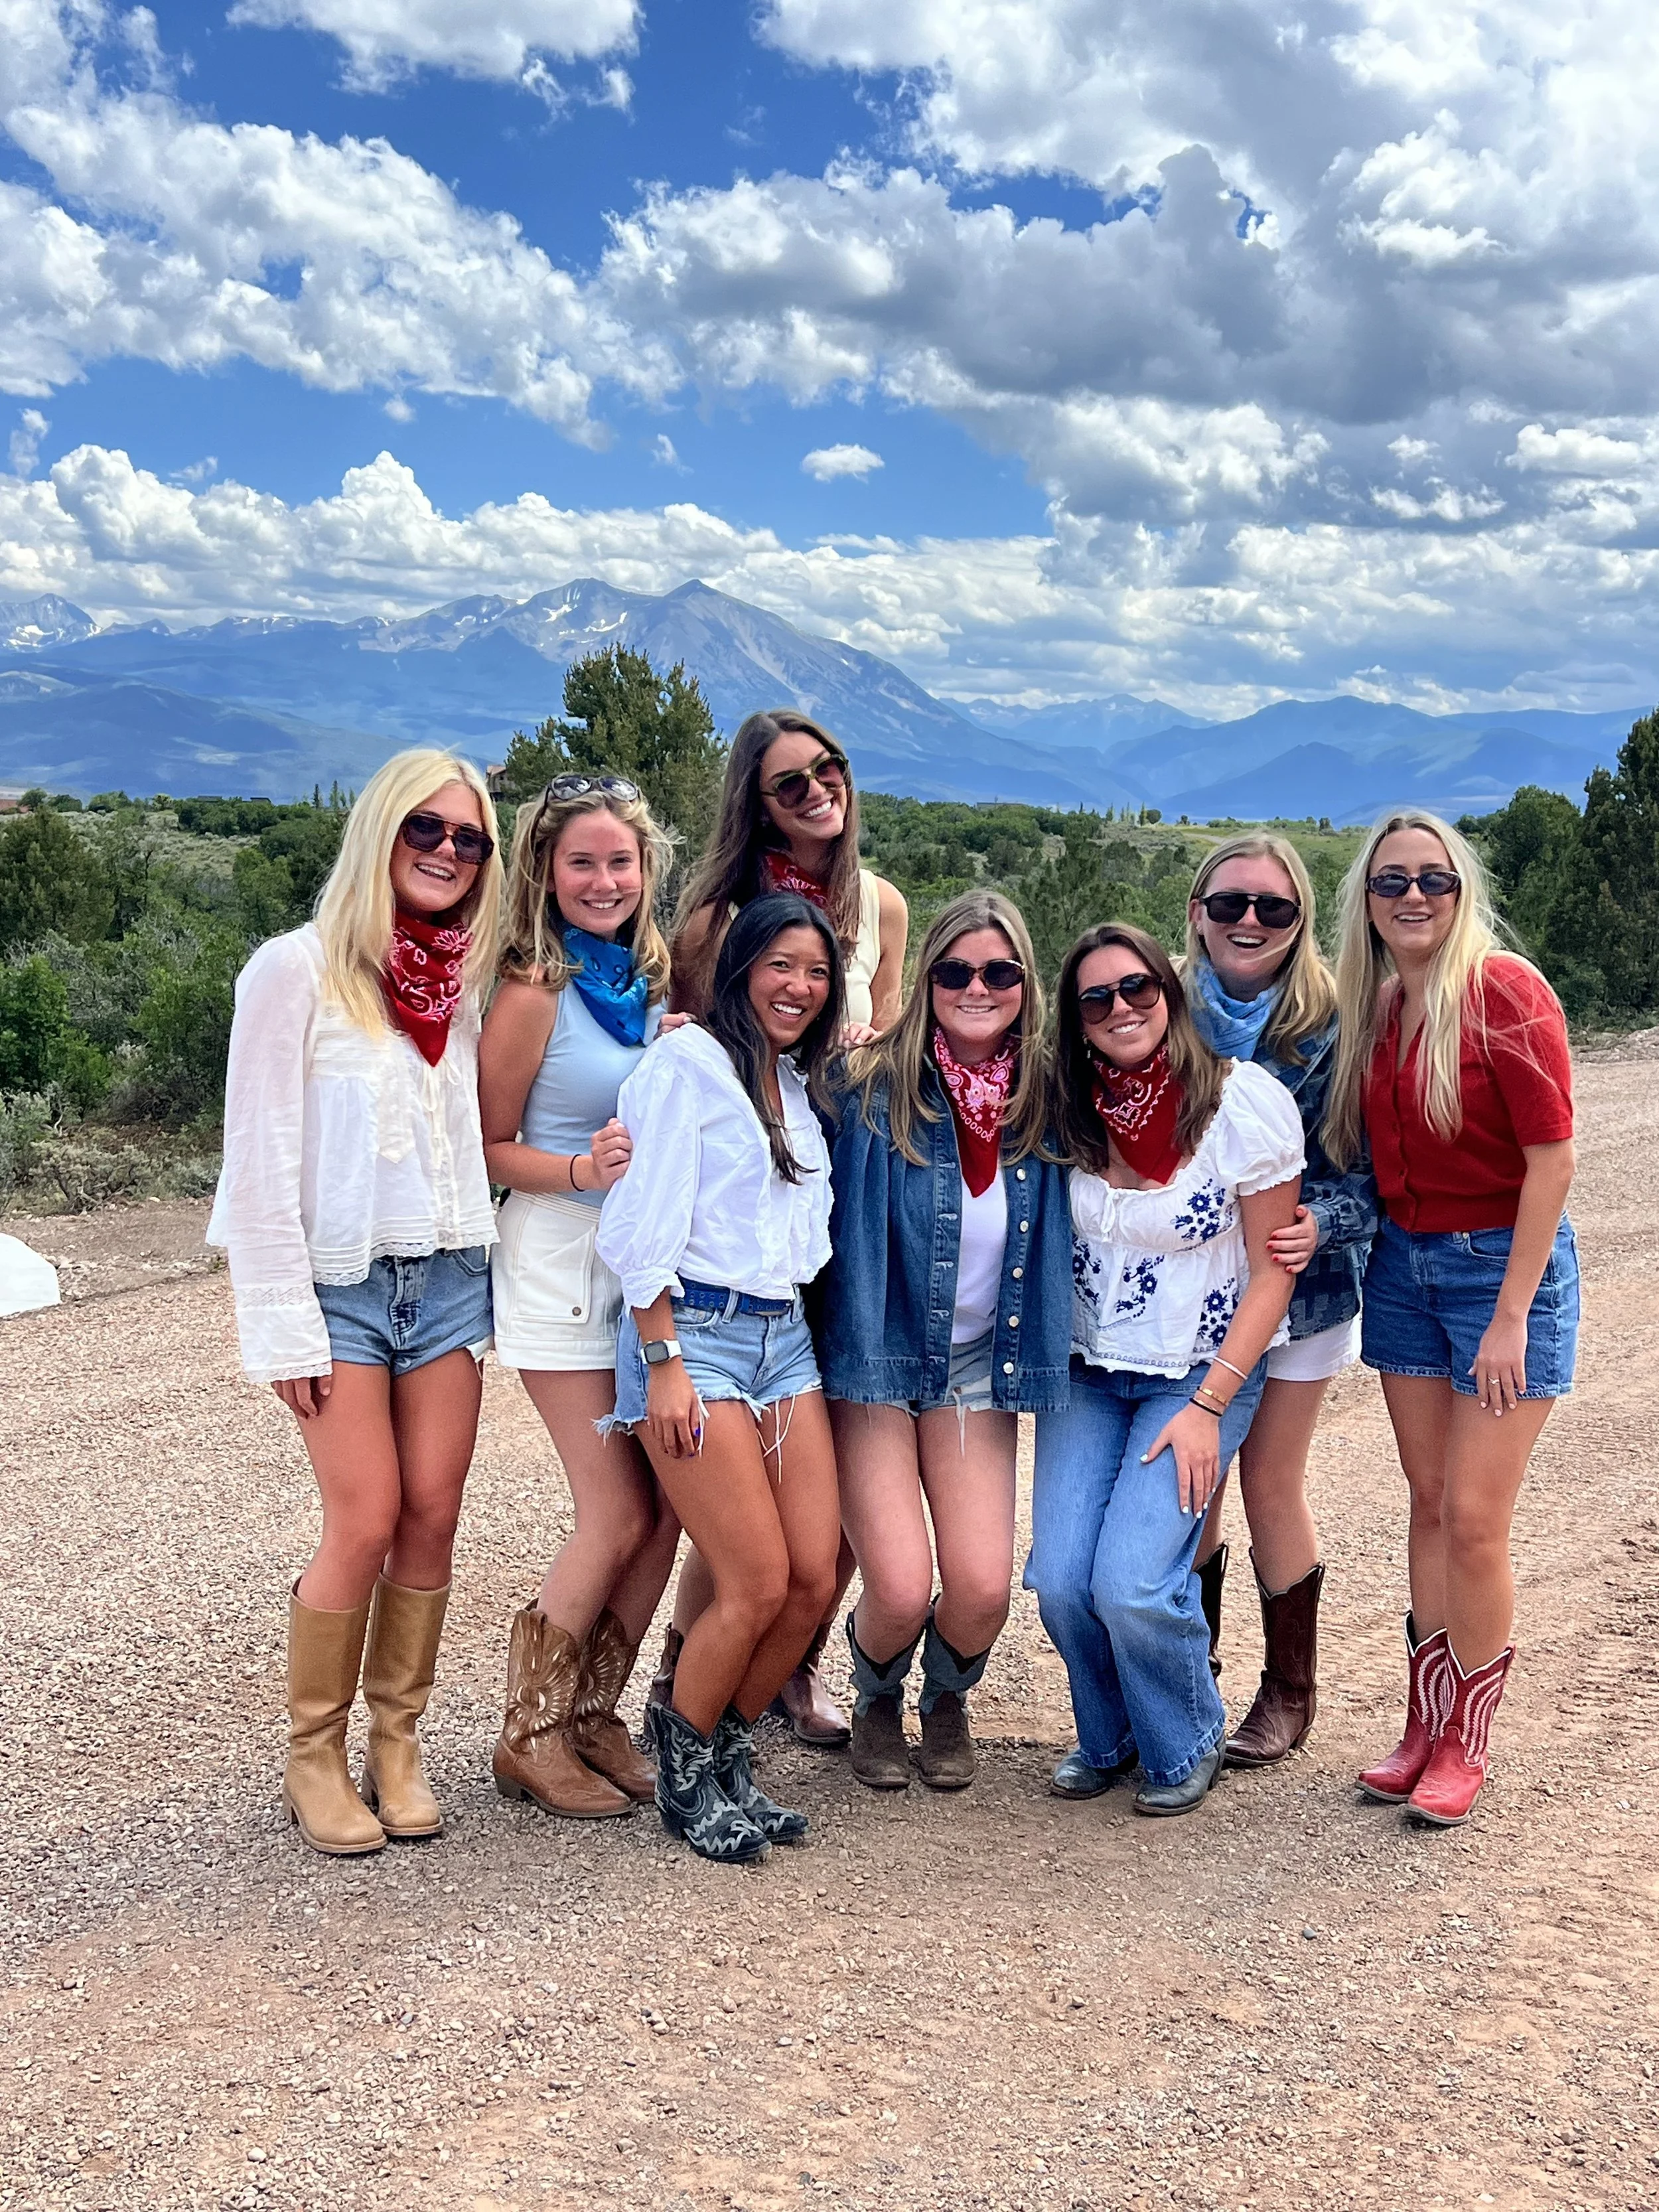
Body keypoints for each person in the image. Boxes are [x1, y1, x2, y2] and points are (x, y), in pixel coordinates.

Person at [208, 748, 503, 1856]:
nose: (445, 851)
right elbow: (261, 1154)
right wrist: (278, 1316)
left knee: (433, 1513)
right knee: (366, 1515)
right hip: (339, 1287)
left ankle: (397, 1740)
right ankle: (313, 1753)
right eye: (425, 829)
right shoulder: (293, 971)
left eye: (469, 839)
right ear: (381, 831)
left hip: (450, 1277)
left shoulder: (465, 983)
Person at [660, 709, 908, 1745]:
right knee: (738, 1499)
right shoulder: (721, 916)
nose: (816, 791)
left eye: (828, 768)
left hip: (843, 1199)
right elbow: (694, 1052)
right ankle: (690, 1677)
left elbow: (891, 1040)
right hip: (740, 1218)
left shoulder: (880, 905)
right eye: (788, 783)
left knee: (826, 1466)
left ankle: (787, 1665)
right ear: (753, 804)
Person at [1325, 810, 1576, 1826]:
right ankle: (1426, 1725)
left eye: (1435, 879)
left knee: (1474, 1518)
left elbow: (1552, 1159)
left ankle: (1469, 1740)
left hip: (1497, 1279)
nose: (1415, 897)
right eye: (1393, 882)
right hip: (1404, 1273)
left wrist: (1512, 1315)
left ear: (1462, 892)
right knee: (1427, 1503)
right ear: (1369, 901)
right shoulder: (1379, 1005)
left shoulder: (1503, 992)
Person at [1026, 924, 1305, 1816]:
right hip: (1088, 1370)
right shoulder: (1065, 1106)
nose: (1120, 1010)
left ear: (1169, 993)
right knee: (1063, 1580)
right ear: (1074, 1020)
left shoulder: (1241, 1104)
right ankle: (1107, 1737)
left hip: (1199, 1372)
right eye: (1096, 998)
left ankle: (1184, 1736)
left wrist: (1210, 1405)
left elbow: (1274, 1271)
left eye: (1137, 988)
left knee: (1134, 1585)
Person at [597, 893, 846, 1863]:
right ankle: (685, 1761)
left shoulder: (791, 1080)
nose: (799, 987)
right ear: (741, 966)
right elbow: (639, 1227)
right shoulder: (683, 1069)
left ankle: (731, 1751)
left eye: (817, 974)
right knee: (753, 1579)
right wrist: (662, 1364)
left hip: (783, 1338)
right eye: (782, 965)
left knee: (813, 1579)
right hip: (693, 1332)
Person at [820, 892, 1072, 1792]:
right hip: (878, 1361)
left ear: (1025, 986)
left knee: (980, 1588)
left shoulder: (1048, 1100)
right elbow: (765, 1112)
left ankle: (948, 1697)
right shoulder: (863, 1087)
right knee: (895, 1584)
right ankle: (875, 1694)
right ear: (925, 980)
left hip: (977, 1367)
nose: (977, 987)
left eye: (999, 971)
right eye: (955, 970)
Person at [478, 774, 684, 1820]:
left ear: (646, 871)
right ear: (545, 875)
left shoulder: (647, 984)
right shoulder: (532, 993)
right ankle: (530, 1730)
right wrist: (580, 1172)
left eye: (621, 861)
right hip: (560, 1263)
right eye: (582, 863)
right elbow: (489, 1144)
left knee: (662, 1515)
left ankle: (596, 1711)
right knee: (612, 1507)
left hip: (637, 1273)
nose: (604, 880)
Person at [1183, 834, 1378, 1766]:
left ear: (1301, 923)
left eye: (1273, 908)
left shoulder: (1338, 1029)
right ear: (1197, 913)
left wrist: (1325, 1222)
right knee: (1196, 1487)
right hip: (1184, 1297)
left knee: (1267, 1481)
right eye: (1230, 905)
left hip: (1300, 1296)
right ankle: (1190, 1682)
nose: (1249, 922)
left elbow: (1373, 1178)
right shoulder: (1157, 1010)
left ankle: (1289, 1690)